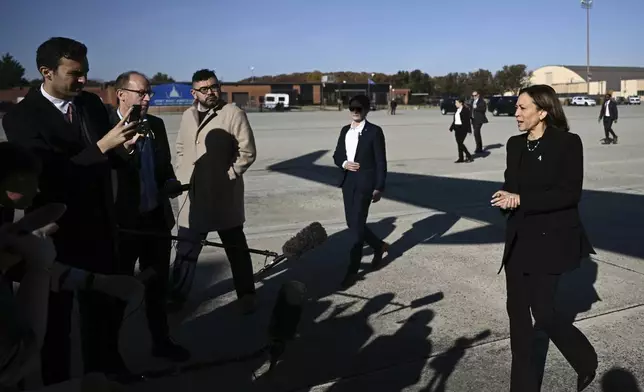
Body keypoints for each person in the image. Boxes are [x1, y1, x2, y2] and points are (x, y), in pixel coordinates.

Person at [1, 37, 139, 384]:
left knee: (103, 314)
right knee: (54, 325)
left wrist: (123, 151)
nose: (83, 81)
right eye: (74, 73)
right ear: (46, 72)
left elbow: (104, 161)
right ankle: (58, 381)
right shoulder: (21, 117)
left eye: (86, 73)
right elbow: (48, 175)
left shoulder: (91, 105)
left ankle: (107, 370)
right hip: (57, 235)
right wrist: (103, 146)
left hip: (101, 229)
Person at [491, 84, 598, 392]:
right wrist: (505, 199)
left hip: (551, 240)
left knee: (544, 312)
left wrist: (522, 199)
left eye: (522, 108)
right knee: (518, 316)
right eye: (516, 107)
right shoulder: (515, 144)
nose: (516, 113)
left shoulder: (567, 143)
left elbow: (569, 194)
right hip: (519, 240)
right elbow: (512, 185)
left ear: (543, 111)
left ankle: (584, 358)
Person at [108, 71, 190, 362]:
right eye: (141, 93)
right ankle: (110, 354)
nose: (146, 98)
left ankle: (161, 341)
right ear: (122, 94)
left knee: (157, 287)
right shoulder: (104, 126)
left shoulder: (155, 124)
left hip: (155, 220)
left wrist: (169, 182)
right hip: (123, 226)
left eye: (149, 94)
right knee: (118, 291)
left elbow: (164, 166)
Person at [171, 69, 258, 314]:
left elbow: (247, 152)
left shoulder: (232, 113)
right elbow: (180, 147)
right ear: (194, 92)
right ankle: (177, 295)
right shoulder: (187, 115)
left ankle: (247, 294)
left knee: (236, 247)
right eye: (204, 89)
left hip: (223, 194)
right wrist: (182, 175)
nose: (211, 92)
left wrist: (228, 176)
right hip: (192, 194)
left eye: (214, 87)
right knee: (186, 248)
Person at [332, 94, 389, 290]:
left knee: (357, 231)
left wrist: (379, 186)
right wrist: (344, 163)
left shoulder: (374, 132)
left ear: (366, 110)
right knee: (352, 223)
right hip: (348, 182)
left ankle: (352, 271)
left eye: (359, 109)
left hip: (365, 184)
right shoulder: (344, 131)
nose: (356, 112)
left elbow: (381, 161)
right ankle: (378, 245)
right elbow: (337, 154)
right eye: (353, 109)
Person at [448, 98, 474, 163]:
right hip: (457, 128)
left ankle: (469, 156)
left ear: (461, 103)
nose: (455, 104)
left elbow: (468, 121)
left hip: (463, 128)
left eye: (456, 103)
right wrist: (451, 127)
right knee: (459, 143)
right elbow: (455, 120)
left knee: (460, 143)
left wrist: (469, 130)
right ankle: (461, 158)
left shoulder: (466, 110)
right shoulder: (457, 110)